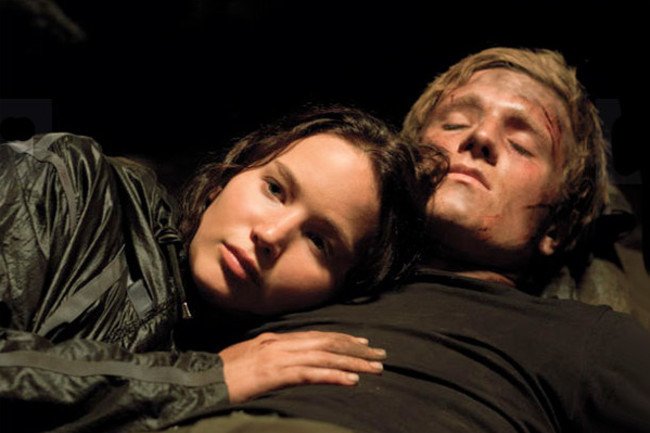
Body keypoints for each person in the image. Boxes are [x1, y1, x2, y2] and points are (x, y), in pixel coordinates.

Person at [154, 48, 650, 433]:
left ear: (558, 227)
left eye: (522, 144)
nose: (478, 138)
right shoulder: (296, 272)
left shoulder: (580, 339)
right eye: (454, 122)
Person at [0, 106, 443, 432]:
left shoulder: (256, 363)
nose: (271, 235)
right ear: (224, 179)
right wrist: (204, 379)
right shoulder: (74, 180)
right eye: (275, 189)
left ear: (338, 289)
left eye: (318, 240)